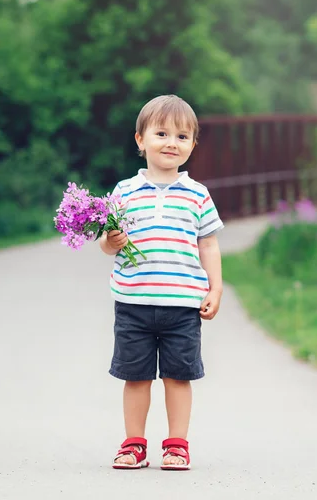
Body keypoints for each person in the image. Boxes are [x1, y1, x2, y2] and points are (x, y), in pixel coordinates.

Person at [100, 94, 224, 470]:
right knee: (135, 377)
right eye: (161, 133)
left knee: (178, 377)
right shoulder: (123, 192)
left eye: (182, 137)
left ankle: (176, 445)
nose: (172, 142)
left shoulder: (198, 194)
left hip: (183, 305)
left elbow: (209, 243)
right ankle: (134, 444)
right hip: (134, 302)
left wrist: (214, 288)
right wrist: (111, 240)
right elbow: (107, 243)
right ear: (140, 140)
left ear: (192, 145)